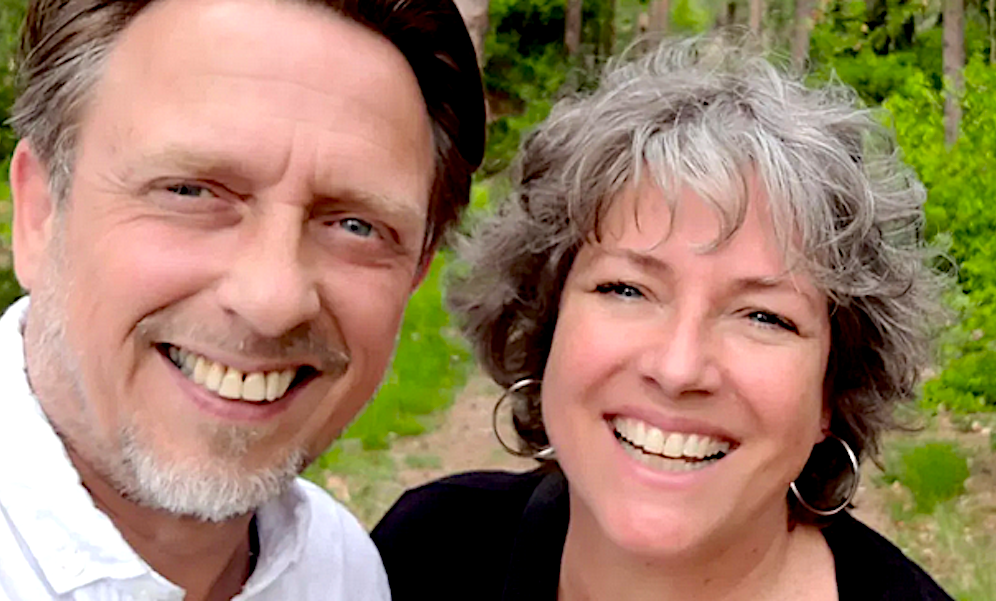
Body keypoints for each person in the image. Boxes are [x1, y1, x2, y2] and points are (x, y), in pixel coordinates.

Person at [0, 0, 482, 598]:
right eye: (190, 191)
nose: (272, 299)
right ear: (40, 212)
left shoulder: (343, 572)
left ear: (416, 271)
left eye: (356, 226)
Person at [372, 38, 952, 601]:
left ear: (832, 390)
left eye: (763, 317)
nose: (678, 369)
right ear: (546, 324)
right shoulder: (427, 556)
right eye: (627, 289)